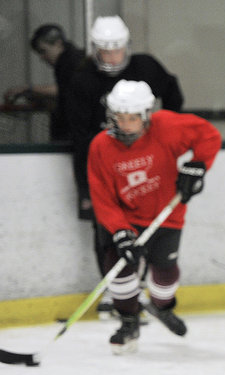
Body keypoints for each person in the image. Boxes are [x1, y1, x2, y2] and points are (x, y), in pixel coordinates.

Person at [87, 80, 221, 354]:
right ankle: (129, 323)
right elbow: (102, 196)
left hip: (166, 215)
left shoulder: (167, 127)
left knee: (165, 276)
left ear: (146, 114)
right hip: (126, 219)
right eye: (120, 118)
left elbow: (209, 136)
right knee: (119, 270)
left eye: (133, 118)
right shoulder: (101, 146)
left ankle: (162, 307)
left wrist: (197, 166)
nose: (126, 125)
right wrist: (120, 231)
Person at [67, 15, 184, 317]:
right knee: (106, 229)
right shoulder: (82, 80)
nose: (112, 57)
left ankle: (138, 288)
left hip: (144, 164)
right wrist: (88, 178)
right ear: (95, 49)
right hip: (102, 163)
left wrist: (163, 138)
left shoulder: (145, 67)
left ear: (126, 46)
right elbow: (79, 135)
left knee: (148, 227)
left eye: (117, 49)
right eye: (105, 51)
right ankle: (114, 289)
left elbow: (173, 93)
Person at [3, 24, 85, 142]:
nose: (42, 57)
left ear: (58, 43)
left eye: (43, 51)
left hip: (72, 136)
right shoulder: (68, 61)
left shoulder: (72, 60)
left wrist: (29, 89)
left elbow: (67, 89)